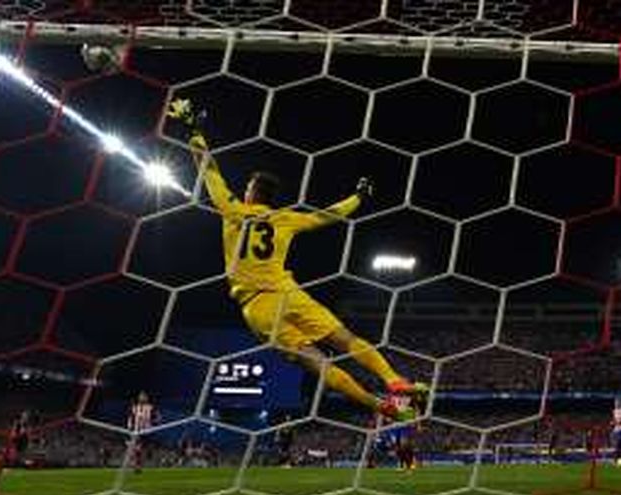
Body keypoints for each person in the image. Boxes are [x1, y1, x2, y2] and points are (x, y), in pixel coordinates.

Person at [167, 99, 427, 421]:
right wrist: (358, 197)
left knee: (317, 363)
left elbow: (209, 170)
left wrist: (194, 131)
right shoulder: (285, 218)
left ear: (250, 193)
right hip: (288, 292)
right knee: (344, 338)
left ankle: (382, 408)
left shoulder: (233, 210)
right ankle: (394, 380)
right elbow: (327, 215)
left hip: (257, 306)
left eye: (248, 186)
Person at [126, 391, 155, 473]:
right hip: (137, 430)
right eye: (141, 396)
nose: (142, 398)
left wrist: (153, 423)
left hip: (146, 430)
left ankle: (138, 464)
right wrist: (130, 427)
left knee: (141, 449)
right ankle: (136, 465)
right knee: (137, 448)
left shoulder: (150, 408)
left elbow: (156, 417)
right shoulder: (134, 407)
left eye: (144, 396)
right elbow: (130, 417)